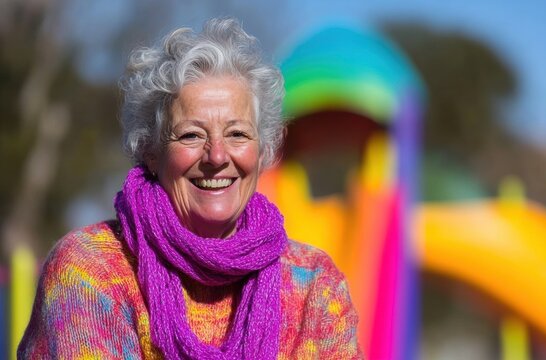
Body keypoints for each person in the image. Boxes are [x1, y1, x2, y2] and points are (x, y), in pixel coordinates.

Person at [18, 18, 362, 359]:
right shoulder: (88, 271)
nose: (216, 155)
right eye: (191, 135)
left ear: (263, 150)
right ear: (151, 151)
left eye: (237, 134)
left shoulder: (315, 285)